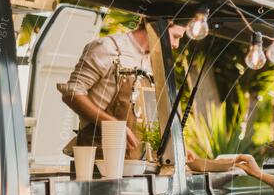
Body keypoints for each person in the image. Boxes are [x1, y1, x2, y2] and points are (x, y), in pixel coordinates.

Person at [58, 20, 187, 158]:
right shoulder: (108, 48)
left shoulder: (154, 62)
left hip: (139, 163)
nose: (175, 45)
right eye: (175, 37)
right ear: (161, 25)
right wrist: (113, 125)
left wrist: (176, 149)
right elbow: (71, 93)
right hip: (99, 161)